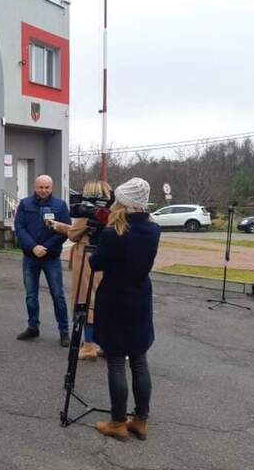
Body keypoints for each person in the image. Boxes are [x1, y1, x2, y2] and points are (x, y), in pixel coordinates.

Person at [89, 177, 160, 441]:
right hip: (140, 297)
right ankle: (140, 420)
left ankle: (118, 422)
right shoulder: (154, 230)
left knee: (117, 360)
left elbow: (96, 263)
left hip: (115, 299)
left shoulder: (113, 232)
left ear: (124, 201)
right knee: (139, 360)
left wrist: (97, 242)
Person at [52, 180, 113, 360]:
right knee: (105, 301)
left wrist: (61, 227)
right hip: (106, 256)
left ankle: (88, 345)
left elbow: (74, 233)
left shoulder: (88, 210)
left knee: (85, 301)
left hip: (87, 257)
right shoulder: (113, 210)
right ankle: (108, 344)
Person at [14, 175, 71, 346]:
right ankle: (33, 327)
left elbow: (65, 230)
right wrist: (33, 247)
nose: (44, 190)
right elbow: (20, 227)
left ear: (51, 187)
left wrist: (45, 247)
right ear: (35, 186)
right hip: (30, 257)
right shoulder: (25, 204)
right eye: (40, 187)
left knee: (58, 295)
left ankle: (64, 331)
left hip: (51, 257)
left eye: (47, 187)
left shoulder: (60, 206)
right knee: (31, 295)